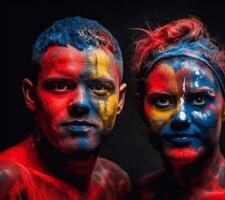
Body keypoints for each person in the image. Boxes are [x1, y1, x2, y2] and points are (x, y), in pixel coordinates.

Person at [132, 17, 225, 199]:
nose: (180, 118)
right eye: (163, 101)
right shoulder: (141, 192)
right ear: (141, 107)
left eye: (198, 100)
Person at [0, 16, 130, 199]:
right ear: (30, 95)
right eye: (60, 86)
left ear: (120, 100)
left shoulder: (115, 182)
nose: (80, 103)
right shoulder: (8, 181)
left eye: (99, 88)